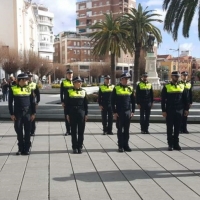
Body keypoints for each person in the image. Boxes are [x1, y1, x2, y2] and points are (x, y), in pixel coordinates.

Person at [8, 73, 36, 155]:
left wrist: (33, 113)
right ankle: (20, 148)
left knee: (27, 131)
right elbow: (10, 103)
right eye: (26, 79)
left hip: (27, 112)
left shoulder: (29, 88)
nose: (28, 81)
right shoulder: (13, 88)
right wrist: (11, 114)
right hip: (17, 113)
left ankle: (27, 148)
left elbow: (33, 102)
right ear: (21, 80)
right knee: (18, 130)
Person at [161, 71, 189, 151]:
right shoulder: (167, 86)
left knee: (177, 128)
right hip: (170, 110)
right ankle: (170, 144)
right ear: (171, 77)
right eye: (175, 76)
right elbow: (163, 100)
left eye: (178, 76)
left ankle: (176, 144)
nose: (177, 78)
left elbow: (185, 99)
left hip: (179, 110)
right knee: (170, 128)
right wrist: (163, 110)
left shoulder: (182, 86)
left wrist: (186, 109)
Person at [111, 72, 135, 152]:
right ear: (121, 79)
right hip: (119, 112)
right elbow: (112, 101)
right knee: (120, 130)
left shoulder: (130, 88)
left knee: (127, 130)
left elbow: (133, 101)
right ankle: (120, 146)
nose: (127, 80)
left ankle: (126, 145)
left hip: (128, 112)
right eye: (125, 79)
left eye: (128, 79)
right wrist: (114, 112)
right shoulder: (116, 88)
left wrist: (133, 111)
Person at [64, 76, 88, 154]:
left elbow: (86, 104)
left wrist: (86, 114)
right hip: (72, 112)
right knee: (73, 131)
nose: (80, 83)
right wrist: (67, 114)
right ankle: (74, 147)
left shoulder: (84, 91)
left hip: (81, 112)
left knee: (81, 131)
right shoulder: (69, 91)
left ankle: (80, 147)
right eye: (78, 82)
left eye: (81, 82)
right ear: (74, 83)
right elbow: (66, 104)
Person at [60, 69, 74, 136]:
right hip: (66, 102)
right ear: (66, 75)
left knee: (73, 117)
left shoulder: (75, 82)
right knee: (67, 116)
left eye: (71, 73)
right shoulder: (63, 82)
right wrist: (62, 101)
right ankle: (68, 130)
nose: (70, 75)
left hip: (74, 102)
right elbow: (61, 93)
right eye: (68, 73)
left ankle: (73, 130)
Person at [27, 71, 40, 136]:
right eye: (28, 77)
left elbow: (38, 94)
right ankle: (28, 130)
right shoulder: (25, 85)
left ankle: (32, 131)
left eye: (30, 77)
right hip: (26, 103)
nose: (30, 78)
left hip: (32, 103)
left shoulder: (34, 84)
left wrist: (37, 102)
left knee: (32, 117)